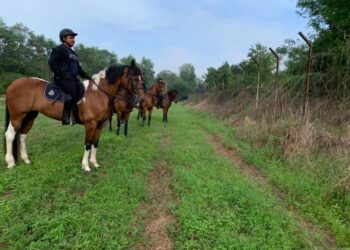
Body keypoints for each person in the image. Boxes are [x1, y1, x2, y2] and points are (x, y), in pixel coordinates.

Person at [49, 28, 92, 125]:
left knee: (82, 90)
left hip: (72, 78)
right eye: (71, 38)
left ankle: (76, 115)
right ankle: (66, 116)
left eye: (74, 38)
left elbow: (79, 69)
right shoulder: (59, 49)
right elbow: (52, 63)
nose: (73, 40)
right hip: (61, 78)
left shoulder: (74, 53)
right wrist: (62, 74)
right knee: (72, 91)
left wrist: (89, 77)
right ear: (64, 38)